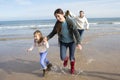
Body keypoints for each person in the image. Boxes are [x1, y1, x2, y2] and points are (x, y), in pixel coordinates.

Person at [44, 8, 82, 74]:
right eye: (56, 17)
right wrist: (47, 38)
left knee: (72, 57)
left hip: (71, 42)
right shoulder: (57, 23)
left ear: (63, 14)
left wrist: (78, 43)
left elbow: (76, 32)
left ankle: (72, 68)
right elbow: (53, 32)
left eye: (58, 16)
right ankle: (66, 59)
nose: (57, 18)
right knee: (62, 57)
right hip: (63, 42)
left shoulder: (70, 21)